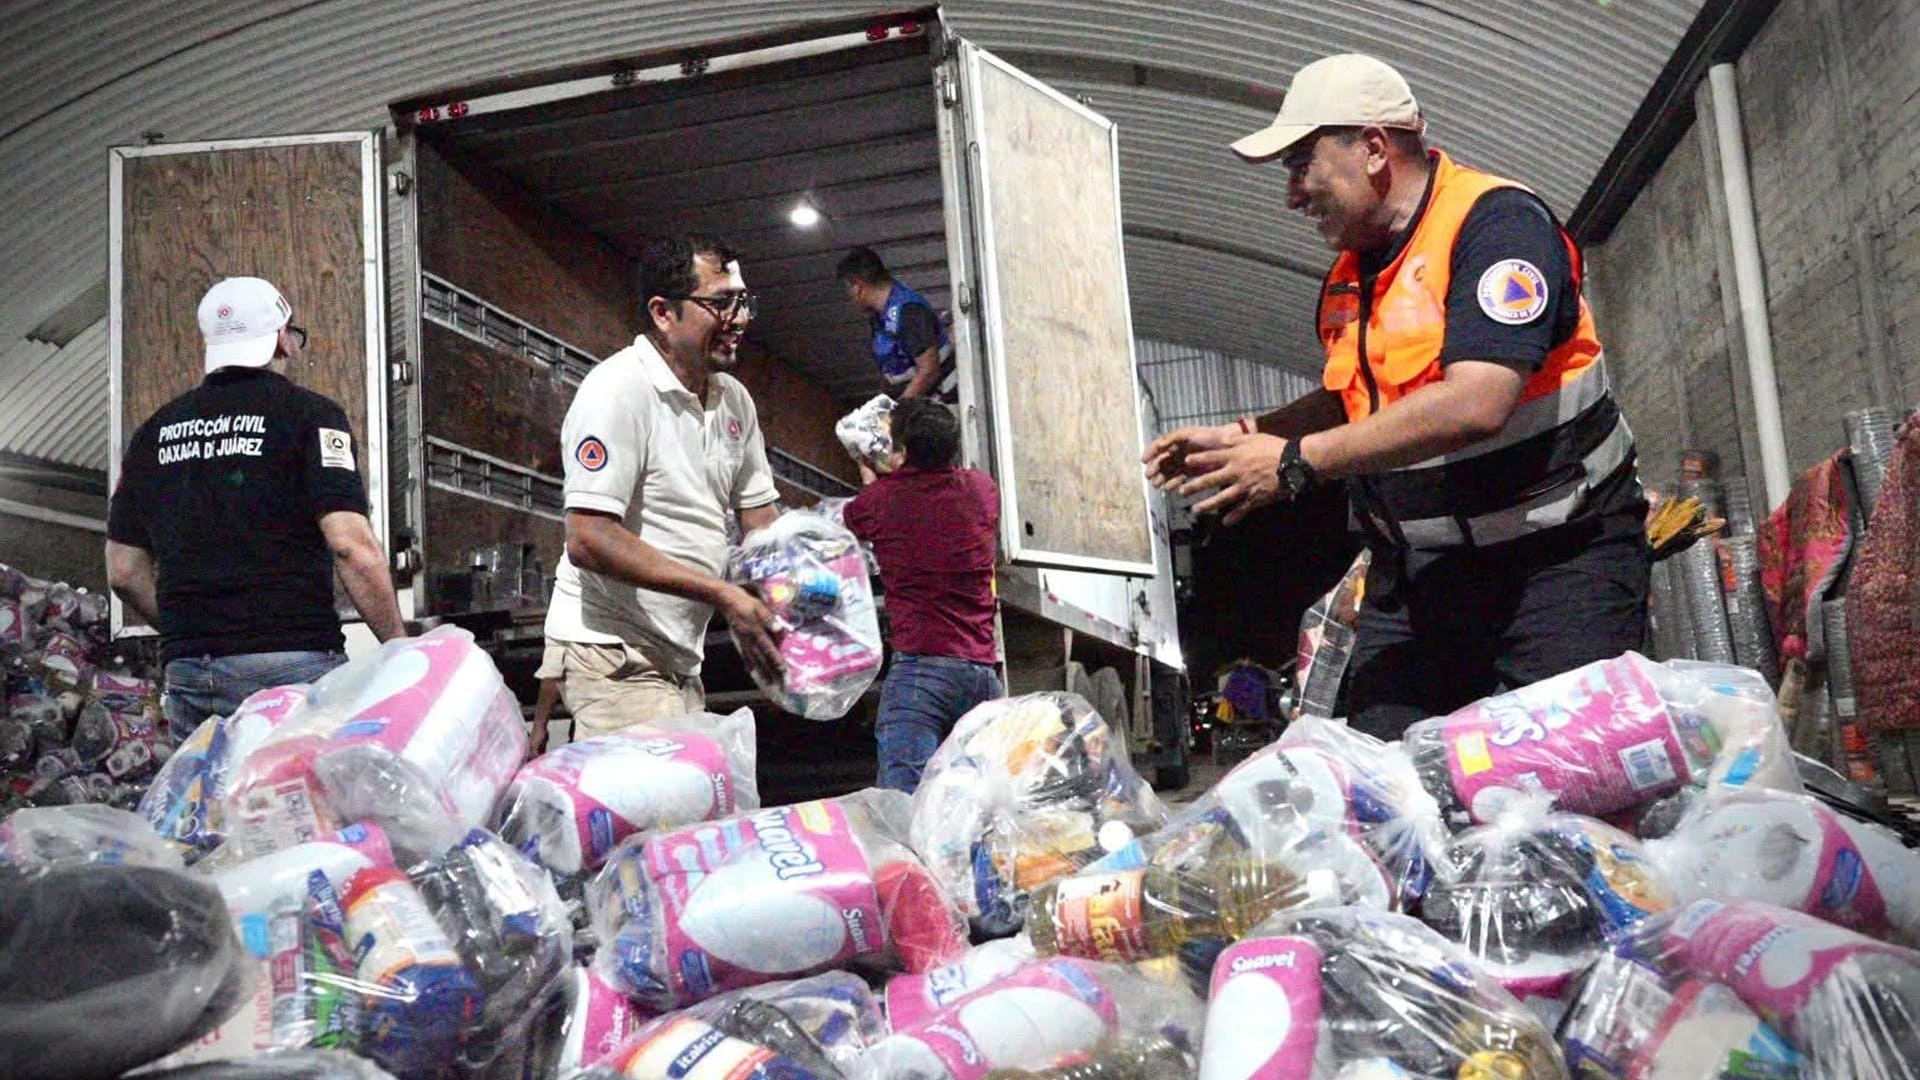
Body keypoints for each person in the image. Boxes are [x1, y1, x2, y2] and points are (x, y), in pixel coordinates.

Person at [1144, 54, 1650, 740]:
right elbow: (1355, 396)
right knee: (1385, 790)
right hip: (1422, 584)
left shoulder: (1496, 228)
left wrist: (1294, 460)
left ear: (1374, 148)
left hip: (1557, 567)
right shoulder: (1352, 277)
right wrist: (1249, 434)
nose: (1293, 194)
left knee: (1552, 787)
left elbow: (1477, 400)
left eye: (1301, 164)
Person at [106, 276, 405, 738]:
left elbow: (123, 572)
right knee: (295, 802)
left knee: (208, 804)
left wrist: (191, 633)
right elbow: (350, 546)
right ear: (283, 339)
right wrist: (398, 648)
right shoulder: (310, 415)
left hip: (190, 672)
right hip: (290, 659)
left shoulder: (154, 432)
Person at [546, 234, 785, 734]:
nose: (739, 319)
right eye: (721, 303)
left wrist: (789, 593)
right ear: (663, 313)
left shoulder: (734, 399)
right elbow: (588, 539)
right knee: (662, 810)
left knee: (694, 805)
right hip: (616, 658)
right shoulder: (618, 391)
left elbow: (761, 522)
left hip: (678, 660)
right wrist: (723, 594)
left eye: (742, 302)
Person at [843, 398, 1002, 792]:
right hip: (983, 675)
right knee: (983, 801)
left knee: (905, 803)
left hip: (922, 674)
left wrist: (869, 469)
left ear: (903, 451)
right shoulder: (982, 490)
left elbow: (856, 518)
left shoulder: (881, 500)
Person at [837, 246, 951, 399]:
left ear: (858, 286)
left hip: (943, 399)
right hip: (919, 400)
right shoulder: (880, 317)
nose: (849, 297)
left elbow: (929, 370)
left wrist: (899, 411)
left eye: (847, 289)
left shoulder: (907, 310)